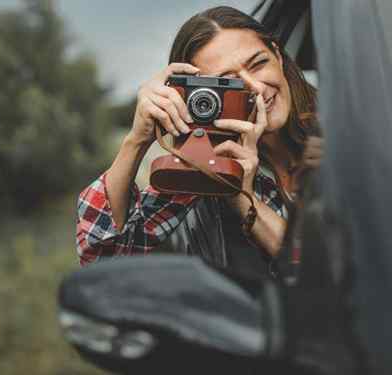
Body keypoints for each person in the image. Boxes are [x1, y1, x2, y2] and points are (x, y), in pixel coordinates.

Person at [76, 6, 322, 278]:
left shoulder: (345, 125)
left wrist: (245, 200)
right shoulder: (209, 165)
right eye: (229, 83)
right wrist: (137, 140)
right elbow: (103, 260)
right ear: (201, 99)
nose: (256, 87)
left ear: (277, 55)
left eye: (258, 63)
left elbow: (337, 271)